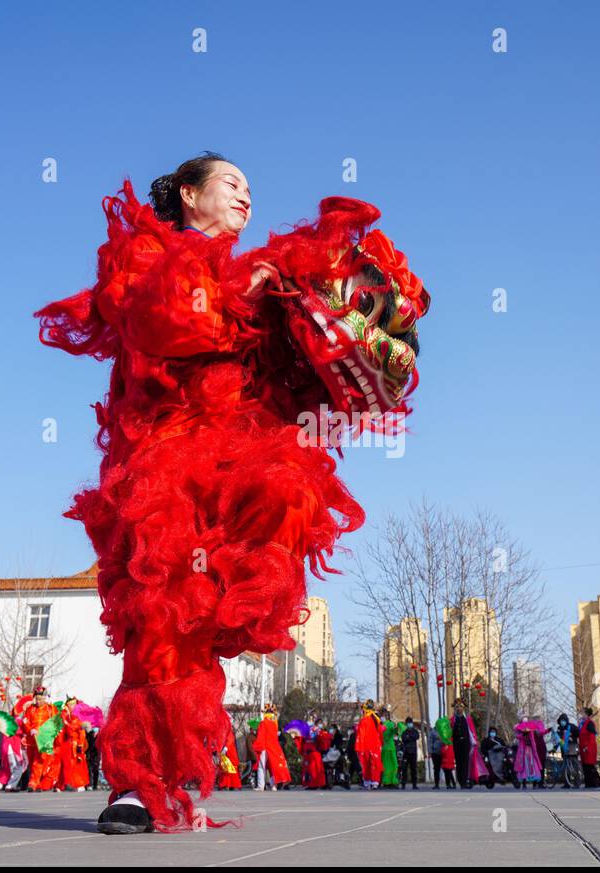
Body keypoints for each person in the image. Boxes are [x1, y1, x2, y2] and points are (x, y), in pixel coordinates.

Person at [37, 156, 428, 836]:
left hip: (243, 456)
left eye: (252, 185)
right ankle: (138, 784)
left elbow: (292, 380)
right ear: (189, 195)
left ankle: (181, 764)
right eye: (231, 183)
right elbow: (160, 327)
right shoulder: (148, 251)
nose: (246, 194)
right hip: (164, 463)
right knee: (163, 618)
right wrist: (243, 289)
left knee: (265, 527)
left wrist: (336, 332)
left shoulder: (263, 274)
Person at [22, 686, 61, 792]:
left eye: (41, 699)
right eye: (37, 699)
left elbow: (56, 723)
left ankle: (33, 783)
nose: (39, 701)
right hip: (31, 740)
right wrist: (30, 730)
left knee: (38, 762)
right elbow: (25, 721)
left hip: (44, 741)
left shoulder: (50, 709)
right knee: (32, 762)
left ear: (45, 698)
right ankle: (38, 783)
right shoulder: (31, 709)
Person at [253, 703, 291, 791]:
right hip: (274, 747)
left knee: (262, 766)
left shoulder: (263, 723)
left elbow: (261, 736)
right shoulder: (274, 725)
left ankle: (261, 786)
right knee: (272, 766)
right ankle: (274, 785)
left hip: (264, 747)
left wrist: (257, 746)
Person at [355, 700, 383, 790]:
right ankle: (375, 782)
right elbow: (380, 733)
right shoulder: (376, 719)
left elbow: (361, 735)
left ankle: (367, 782)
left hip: (366, 746)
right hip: (375, 746)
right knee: (375, 764)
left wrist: (359, 747)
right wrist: (381, 744)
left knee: (366, 764)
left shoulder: (364, 720)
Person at [514, 715, 548, 788]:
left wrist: (529, 733)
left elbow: (537, 735)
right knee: (524, 767)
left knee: (533, 766)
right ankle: (524, 783)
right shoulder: (520, 733)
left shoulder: (531, 732)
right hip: (523, 753)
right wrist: (523, 734)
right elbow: (517, 735)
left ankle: (534, 783)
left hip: (531, 752)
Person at [580, 708, 600, 788]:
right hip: (583, 748)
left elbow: (592, 736)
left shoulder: (589, 723)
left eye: (583, 713)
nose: (581, 715)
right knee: (585, 766)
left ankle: (599, 782)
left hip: (589, 747)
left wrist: (587, 746)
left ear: (587, 715)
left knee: (590, 766)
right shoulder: (583, 724)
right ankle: (588, 784)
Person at [452, 700, 474, 788]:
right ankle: (460, 781)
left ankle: (465, 781)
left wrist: (474, 741)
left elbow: (472, 731)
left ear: (463, 708)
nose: (459, 708)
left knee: (465, 762)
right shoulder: (452, 720)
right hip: (456, 743)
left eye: (460, 706)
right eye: (457, 707)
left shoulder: (467, 719)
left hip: (465, 742)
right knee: (458, 762)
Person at [432, 715, 456, 789]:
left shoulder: (448, 732)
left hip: (447, 752)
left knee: (447, 769)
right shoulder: (435, 731)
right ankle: (445, 784)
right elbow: (430, 741)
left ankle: (450, 784)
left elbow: (449, 742)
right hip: (440, 752)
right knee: (445, 769)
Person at [379, 708, 401, 788]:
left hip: (391, 747)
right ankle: (387, 781)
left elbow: (395, 731)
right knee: (386, 766)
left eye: (385, 715)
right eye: (382, 715)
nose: (383, 717)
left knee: (394, 765)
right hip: (384, 748)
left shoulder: (390, 724)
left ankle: (393, 781)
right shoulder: (380, 725)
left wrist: (397, 728)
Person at [399, 717, 420, 790]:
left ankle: (414, 785)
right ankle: (403, 784)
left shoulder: (415, 731)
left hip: (413, 753)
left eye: (410, 723)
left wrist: (409, 737)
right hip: (406, 752)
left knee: (413, 769)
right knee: (404, 769)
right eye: (408, 723)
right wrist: (410, 737)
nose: (409, 724)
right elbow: (404, 738)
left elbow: (417, 737)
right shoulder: (404, 732)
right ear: (406, 724)